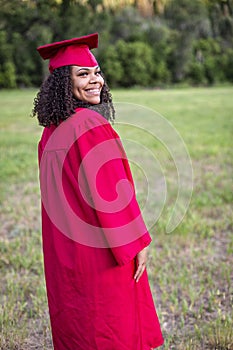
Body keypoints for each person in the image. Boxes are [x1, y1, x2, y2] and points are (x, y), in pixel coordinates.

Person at [33, 32, 164, 350]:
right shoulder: (90, 126)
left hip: (67, 252)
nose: (96, 81)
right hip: (100, 254)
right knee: (109, 328)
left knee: (78, 325)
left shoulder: (52, 131)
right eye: (83, 74)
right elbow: (110, 196)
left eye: (97, 72)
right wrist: (136, 242)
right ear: (65, 82)